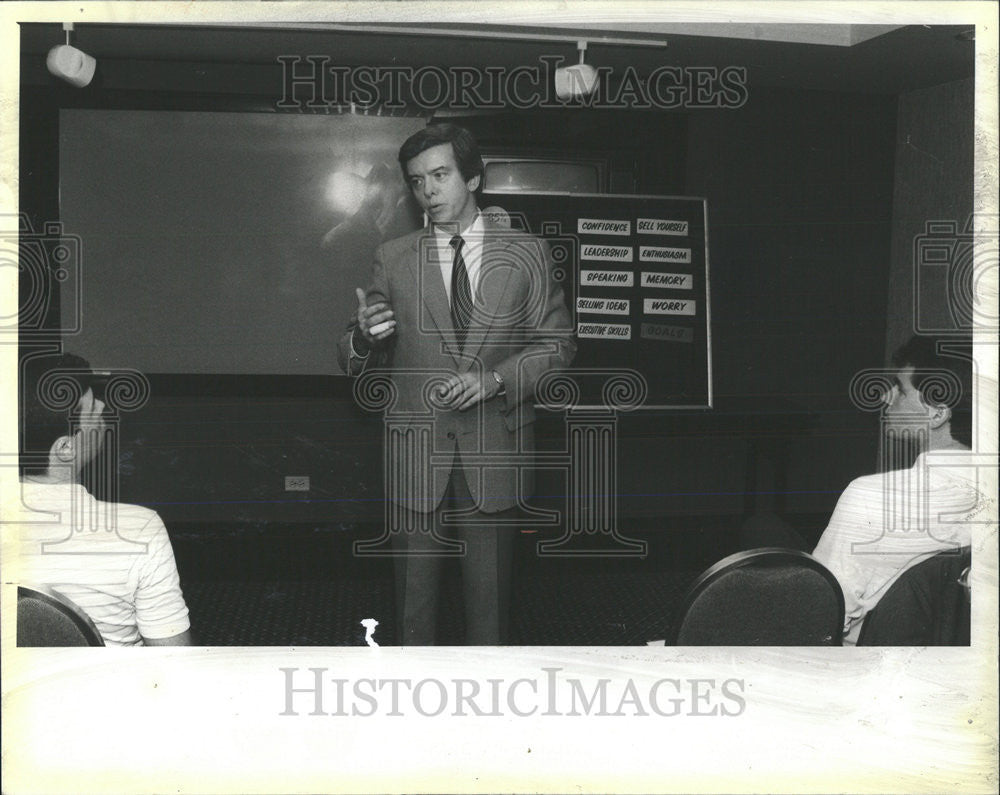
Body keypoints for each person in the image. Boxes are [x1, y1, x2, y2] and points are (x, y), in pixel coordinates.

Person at [337, 124, 576, 645]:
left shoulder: (528, 254)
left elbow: (557, 346)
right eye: (417, 180)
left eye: (440, 175)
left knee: (490, 610)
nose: (428, 191)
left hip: (496, 451)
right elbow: (354, 354)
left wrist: (494, 380)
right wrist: (363, 337)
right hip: (415, 453)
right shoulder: (394, 256)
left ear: (473, 177)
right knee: (412, 609)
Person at [16, 353, 192, 646]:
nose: (101, 406)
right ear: (65, 448)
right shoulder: (139, 529)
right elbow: (174, 662)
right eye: (91, 409)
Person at [813, 335, 979, 644]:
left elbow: (822, 611)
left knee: (761, 530)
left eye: (901, 390)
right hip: (944, 657)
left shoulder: (868, 496)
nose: (887, 397)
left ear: (937, 413)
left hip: (855, 661)